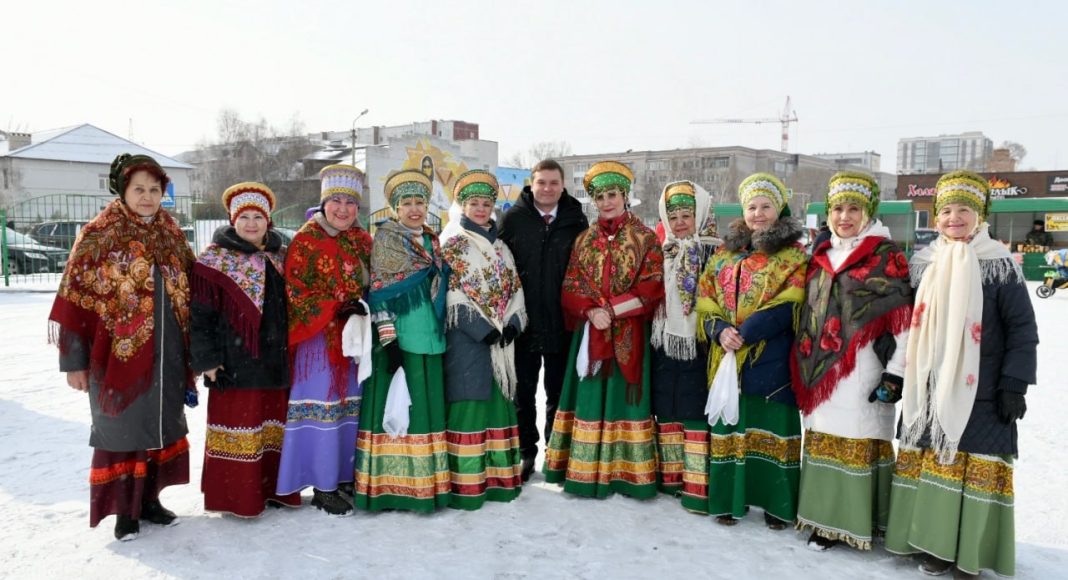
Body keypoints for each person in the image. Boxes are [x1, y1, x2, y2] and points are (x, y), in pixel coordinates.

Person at [885, 170, 1038, 578]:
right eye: (947, 210)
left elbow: (1023, 329)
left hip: (984, 391)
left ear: (981, 215)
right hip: (930, 385)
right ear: (935, 217)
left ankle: (969, 552)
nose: (955, 218)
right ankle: (933, 545)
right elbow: (904, 324)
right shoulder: (923, 262)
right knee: (937, 462)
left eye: (965, 210)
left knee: (974, 466)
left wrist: (1015, 384)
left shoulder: (999, 264)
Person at [49, 153, 196, 541]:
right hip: (116, 358)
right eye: (139, 189)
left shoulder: (171, 232)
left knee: (157, 429)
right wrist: (74, 363)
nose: (147, 197)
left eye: (154, 189)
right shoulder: (100, 234)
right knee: (121, 431)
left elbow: (195, 285)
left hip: (166, 356)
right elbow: (74, 303)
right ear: (123, 191)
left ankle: (149, 501)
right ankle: (123, 512)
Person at [790, 172, 913, 551]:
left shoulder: (885, 255)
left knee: (857, 438)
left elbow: (904, 322)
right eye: (838, 208)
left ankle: (861, 521)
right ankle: (824, 521)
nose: (844, 216)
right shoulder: (820, 254)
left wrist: (896, 374)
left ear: (869, 211)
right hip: (821, 369)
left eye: (854, 208)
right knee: (824, 438)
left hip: (863, 369)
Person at [690, 172, 807, 529]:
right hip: (727, 358)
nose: (758, 213)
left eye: (766, 206)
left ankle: (776, 504)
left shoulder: (793, 256)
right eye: (752, 206)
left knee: (770, 427)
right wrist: (719, 330)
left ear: (779, 209)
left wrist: (747, 332)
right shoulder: (725, 255)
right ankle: (728, 501)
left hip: (769, 357)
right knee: (731, 426)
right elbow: (705, 297)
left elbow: (793, 300)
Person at [542, 160, 664, 499]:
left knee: (623, 401)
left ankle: (626, 475)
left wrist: (611, 310)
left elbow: (653, 286)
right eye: (600, 197)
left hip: (629, 332)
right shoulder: (584, 240)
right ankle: (583, 472)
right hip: (591, 332)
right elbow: (570, 284)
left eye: (612, 195)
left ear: (625, 195)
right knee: (591, 398)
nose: (607, 202)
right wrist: (591, 311)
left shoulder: (645, 238)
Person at [190, 182, 299, 517]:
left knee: (272, 429)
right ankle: (238, 497)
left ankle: (275, 490)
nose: (251, 223)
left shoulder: (280, 256)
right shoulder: (213, 260)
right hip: (233, 364)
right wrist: (208, 361)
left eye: (258, 217)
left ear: (269, 220)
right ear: (232, 220)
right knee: (240, 427)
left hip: (275, 361)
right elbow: (198, 316)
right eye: (244, 217)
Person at [275, 164, 373, 516]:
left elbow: (373, 282)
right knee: (323, 410)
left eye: (350, 202)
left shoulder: (362, 240)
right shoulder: (307, 239)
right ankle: (322, 484)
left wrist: (363, 305)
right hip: (318, 341)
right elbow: (296, 291)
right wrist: (334, 307)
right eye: (336, 201)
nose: (343, 209)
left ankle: (344, 476)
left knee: (351, 409)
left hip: (355, 340)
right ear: (324, 203)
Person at [354, 169, 451, 512]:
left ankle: (428, 485)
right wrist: (389, 340)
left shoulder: (432, 240)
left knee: (426, 410)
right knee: (404, 411)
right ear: (395, 207)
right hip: (400, 339)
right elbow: (380, 292)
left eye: (419, 202)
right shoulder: (387, 239)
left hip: (432, 336)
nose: (414, 209)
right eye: (406, 203)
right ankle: (394, 489)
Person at [440, 170, 527, 509]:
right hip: (468, 339)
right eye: (473, 203)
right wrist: (481, 327)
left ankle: (499, 482)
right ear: (462, 205)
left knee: (497, 403)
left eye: (486, 203)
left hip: (501, 340)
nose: (480, 209)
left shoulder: (502, 246)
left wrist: (515, 321)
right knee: (469, 403)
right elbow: (451, 293)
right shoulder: (454, 243)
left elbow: (515, 287)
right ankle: (468, 485)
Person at [498, 159, 588, 482]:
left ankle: (556, 451)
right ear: (531, 184)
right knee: (523, 393)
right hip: (523, 323)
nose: (547, 189)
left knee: (558, 392)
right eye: (541, 182)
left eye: (553, 183)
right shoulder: (513, 219)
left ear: (563, 185)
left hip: (563, 323)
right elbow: (500, 269)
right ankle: (526, 452)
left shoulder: (576, 219)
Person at [649, 180, 715, 495]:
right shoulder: (661, 250)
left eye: (686, 216)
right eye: (673, 217)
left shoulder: (714, 250)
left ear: (700, 214)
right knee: (668, 405)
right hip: (664, 341)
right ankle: (671, 476)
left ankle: (695, 478)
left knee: (694, 408)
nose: (679, 223)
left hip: (699, 342)